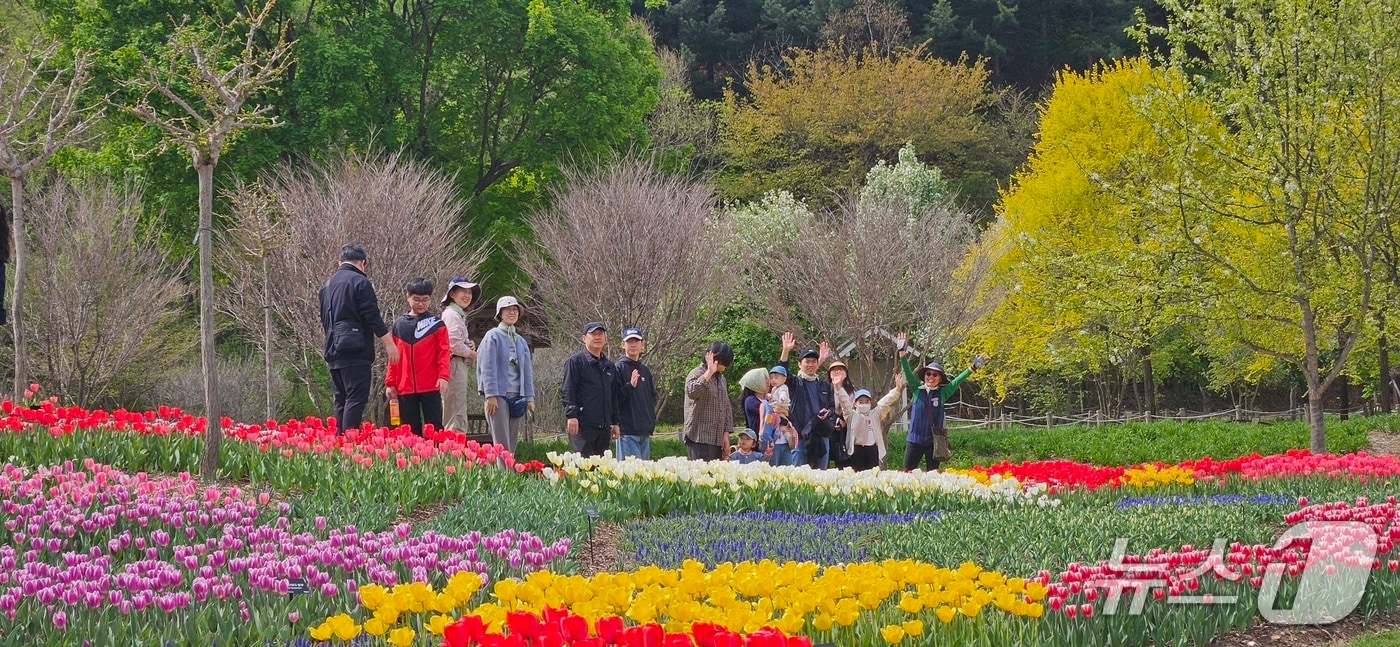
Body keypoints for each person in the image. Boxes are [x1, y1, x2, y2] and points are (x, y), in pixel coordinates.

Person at [319, 243, 399, 434]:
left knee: (340, 398)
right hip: (355, 350)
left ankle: (338, 442)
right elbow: (371, 315)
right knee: (356, 397)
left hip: (333, 350)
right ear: (362, 263)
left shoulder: (327, 286)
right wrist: (388, 342)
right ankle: (349, 442)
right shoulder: (360, 282)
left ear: (340, 262)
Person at [896, 332, 987, 471]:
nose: (931, 377)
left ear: (940, 378)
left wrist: (973, 367)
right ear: (924, 376)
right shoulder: (917, 390)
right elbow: (907, 372)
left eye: (935, 374)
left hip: (933, 442)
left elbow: (957, 381)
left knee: (933, 477)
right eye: (928, 374)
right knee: (907, 474)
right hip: (914, 441)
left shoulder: (942, 392)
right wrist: (901, 352)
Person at [384, 278, 451, 436]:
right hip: (405, 385)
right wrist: (390, 382)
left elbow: (444, 352)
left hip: (431, 384)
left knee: (434, 426)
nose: (421, 304)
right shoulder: (399, 324)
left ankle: (435, 458)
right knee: (409, 427)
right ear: (407, 296)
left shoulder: (437, 323)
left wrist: (443, 376)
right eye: (416, 299)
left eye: (425, 300)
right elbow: (393, 357)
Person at [477, 296, 535, 454]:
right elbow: (487, 367)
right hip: (499, 395)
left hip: (517, 396)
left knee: (512, 441)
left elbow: (527, 371)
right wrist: (490, 394)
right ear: (500, 313)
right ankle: (504, 476)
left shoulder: (521, 341)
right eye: (508, 309)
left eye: (515, 310)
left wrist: (529, 398)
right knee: (501, 442)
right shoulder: (492, 336)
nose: (512, 312)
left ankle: (509, 475)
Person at [777, 332, 835, 469]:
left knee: (822, 476)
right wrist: (785, 350)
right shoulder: (795, 384)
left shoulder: (823, 385)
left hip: (821, 436)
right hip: (800, 436)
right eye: (807, 361)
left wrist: (828, 413)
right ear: (799, 364)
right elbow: (782, 371)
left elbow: (832, 406)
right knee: (798, 476)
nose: (810, 364)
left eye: (814, 361)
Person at [562, 322, 620, 458]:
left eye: (600, 334)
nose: (597, 337)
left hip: (604, 428)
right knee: (583, 470)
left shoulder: (610, 366)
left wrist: (615, 422)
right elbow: (567, 389)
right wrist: (571, 415)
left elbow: (613, 396)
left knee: (601, 472)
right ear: (584, 338)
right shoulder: (576, 362)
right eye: (593, 334)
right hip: (583, 427)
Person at [832, 373, 903, 471]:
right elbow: (845, 403)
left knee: (872, 478)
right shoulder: (851, 415)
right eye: (860, 402)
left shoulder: (875, 414)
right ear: (855, 404)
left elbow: (885, 402)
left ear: (870, 403)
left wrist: (897, 390)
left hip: (872, 450)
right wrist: (838, 388)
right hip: (856, 451)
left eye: (866, 401)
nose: (864, 404)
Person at [438, 277, 481, 431]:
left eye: (469, 292)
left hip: (456, 364)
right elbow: (452, 344)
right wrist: (471, 353)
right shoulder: (451, 314)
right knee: (455, 414)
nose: (467, 295)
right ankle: (454, 452)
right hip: (454, 365)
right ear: (452, 293)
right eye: (463, 291)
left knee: (456, 410)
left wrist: (468, 344)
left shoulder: (457, 314)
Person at [683, 341, 734, 461]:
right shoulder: (696, 373)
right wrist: (709, 372)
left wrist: (726, 434)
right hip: (698, 437)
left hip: (717, 439)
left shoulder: (722, 379)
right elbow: (692, 392)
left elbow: (726, 407)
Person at [615, 327, 657, 460]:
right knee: (631, 477)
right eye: (629, 341)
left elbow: (651, 398)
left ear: (642, 344)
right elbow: (614, 399)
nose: (633, 345)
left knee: (643, 477)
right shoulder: (618, 368)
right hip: (627, 432)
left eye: (636, 341)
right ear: (623, 344)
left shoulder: (645, 370)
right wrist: (630, 386)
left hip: (644, 432)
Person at [827, 360, 855, 469]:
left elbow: (851, 408)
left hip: (843, 430)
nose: (837, 371)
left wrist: (842, 420)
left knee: (843, 460)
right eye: (834, 369)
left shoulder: (851, 391)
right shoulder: (826, 388)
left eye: (840, 369)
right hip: (827, 428)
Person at [761, 392, 800, 466]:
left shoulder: (783, 404)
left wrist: (785, 412)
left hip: (786, 443)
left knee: (788, 471)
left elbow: (793, 420)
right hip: (774, 444)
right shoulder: (765, 405)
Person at [737, 367, 771, 437]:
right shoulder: (750, 401)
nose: (768, 381)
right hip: (760, 442)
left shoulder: (768, 400)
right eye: (764, 378)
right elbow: (769, 414)